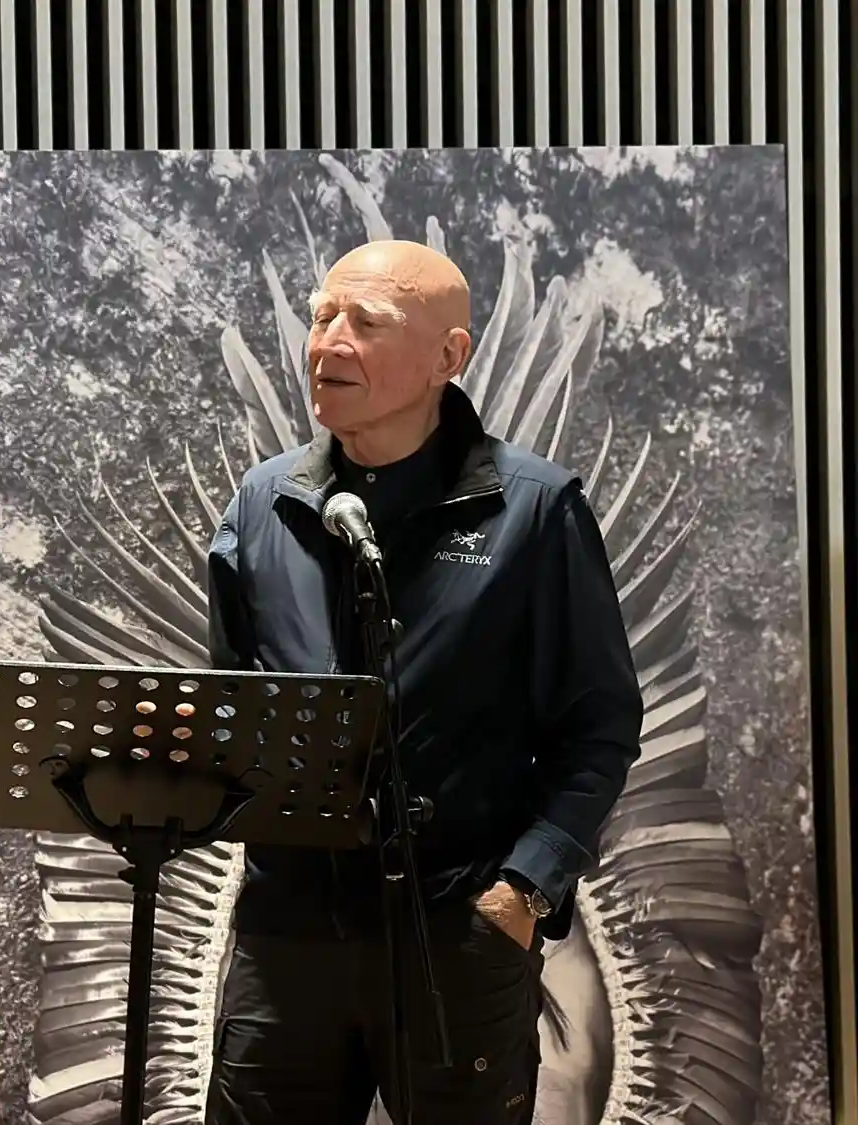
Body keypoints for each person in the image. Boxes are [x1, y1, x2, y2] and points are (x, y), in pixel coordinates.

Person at [202, 239, 643, 1125]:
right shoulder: (263, 503)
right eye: (323, 314)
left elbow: (599, 722)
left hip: (460, 931)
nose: (328, 341)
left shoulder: (533, 507)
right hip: (288, 938)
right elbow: (232, 703)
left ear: (449, 356)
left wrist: (523, 889)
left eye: (367, 322)